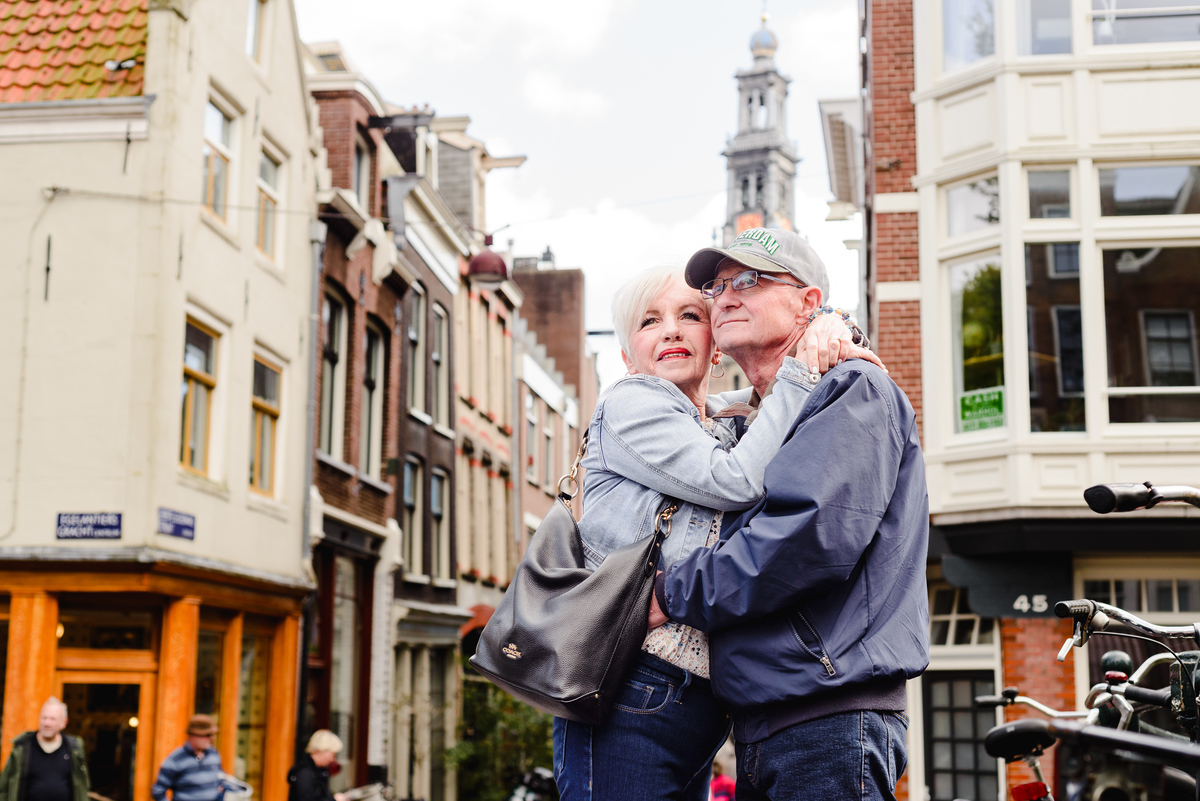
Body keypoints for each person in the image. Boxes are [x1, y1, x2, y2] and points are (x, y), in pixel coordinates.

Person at [552, 260, 879, 801]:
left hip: (700, 701)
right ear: (627, 354)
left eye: (688, 315)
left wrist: (831, 323)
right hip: (630, 682)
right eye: (649, 321)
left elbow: (764, 397)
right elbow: (738, 480)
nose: (673, 330)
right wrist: (802, 369)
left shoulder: (714, 422)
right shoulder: (631, 404)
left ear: (716, 342)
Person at [648, 226, 930, 801]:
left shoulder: (852, 387)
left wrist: (668, 594)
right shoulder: (751, 424)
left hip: (826, 718)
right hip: (768, 721)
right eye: (717, 285)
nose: (725, 296)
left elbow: (804, 541)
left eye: (749, 280)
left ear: (808, 302)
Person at [0, 697, 90, 801]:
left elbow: (83, 787)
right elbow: (3, 786)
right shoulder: (22, 746)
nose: (47, 723)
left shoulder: (74, 748)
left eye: (52, 719)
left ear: (64, 722)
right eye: (44, 718)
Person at [151, 714, 229, 801]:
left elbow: (220, 777)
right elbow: (158, 791)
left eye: (212, 734)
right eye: (207, 735)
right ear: (193, 735)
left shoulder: (213, 754)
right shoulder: (176, 759)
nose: (211, 738)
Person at [287, 730, 348, 801]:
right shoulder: (304, 773)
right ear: (320, 750)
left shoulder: (318, 771)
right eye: (332, 755)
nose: (332, 759)